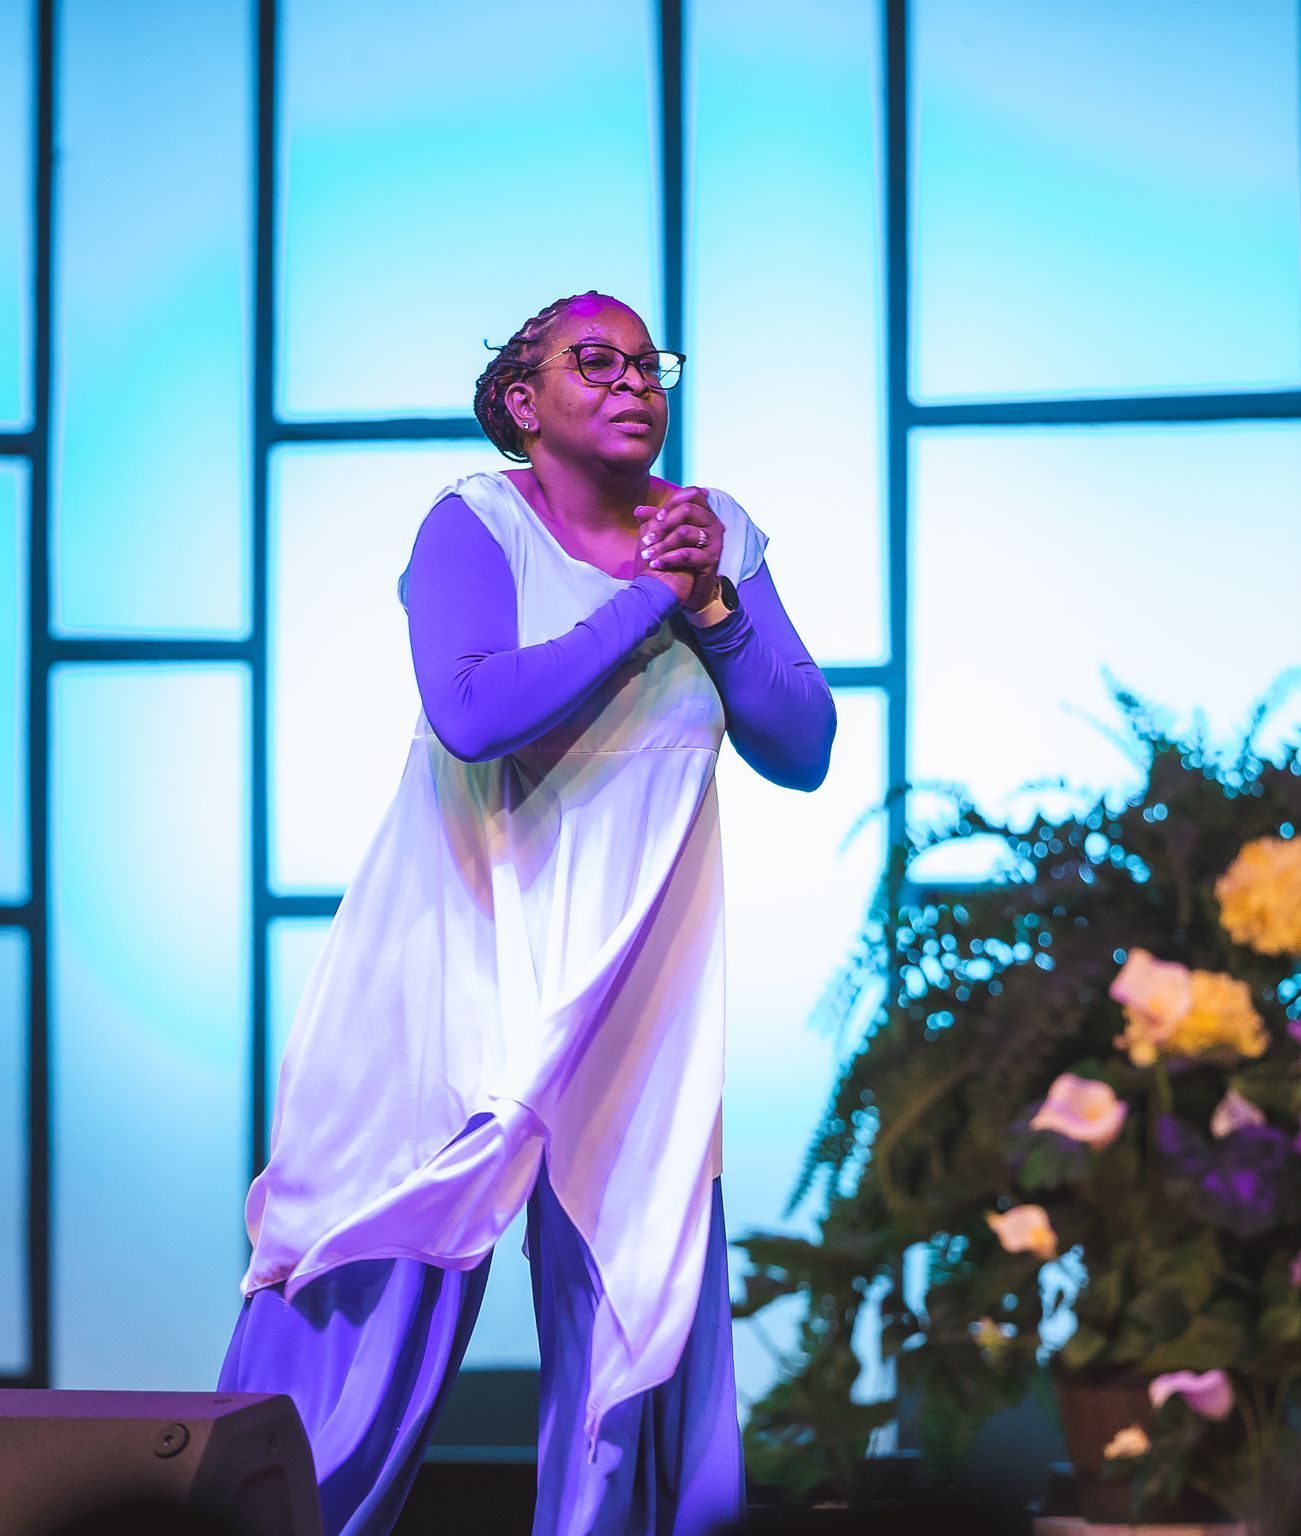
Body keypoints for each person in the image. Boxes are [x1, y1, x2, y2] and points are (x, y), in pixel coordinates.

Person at [215, 290, 837, 1536]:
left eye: (647, 362)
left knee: (638, 1314)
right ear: (521, 402)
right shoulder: (474, 521)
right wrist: (649, 603)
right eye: (592, 361)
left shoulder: (714, 535)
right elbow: (476, 711)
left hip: (632, 990)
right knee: (363, 1268)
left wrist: (712, 601)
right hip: (455, 963)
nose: (632, 381)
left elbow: (802, 740)